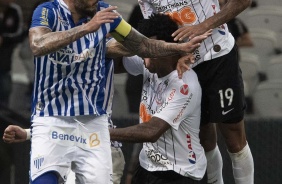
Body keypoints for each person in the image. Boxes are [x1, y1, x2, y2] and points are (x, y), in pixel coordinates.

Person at [27, 0, 205, 183]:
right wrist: (89, 29)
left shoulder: (105, 14)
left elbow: (143, 45)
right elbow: (38, 45)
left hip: (100, 134)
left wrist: (178, 49)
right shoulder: (48, 11)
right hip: (55, 123)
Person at [138, 0, 254, 183]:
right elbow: (154, 27)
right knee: (204, 140)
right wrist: (174, 54)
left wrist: (203, 25)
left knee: (234, 136)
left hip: (218, 54)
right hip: (185, 61)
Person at [110, 14, 210, 184]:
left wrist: (103, 134)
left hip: (179, 173)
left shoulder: (184, 84)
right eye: (144, 49)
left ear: (167, 49)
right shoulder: (150, 63)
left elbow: (151, 131)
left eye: (150, 49)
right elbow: (113, 64)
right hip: (147, 167)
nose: (144, 55)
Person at [2, 56, 125, 184]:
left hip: (97, 146)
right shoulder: (60, 70)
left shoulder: (102, 44)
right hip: (69, 142)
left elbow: (138, 52)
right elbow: (66, 121)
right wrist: (29, 133)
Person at [0, 0, 23, 107]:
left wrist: (4, 39)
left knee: (4, 74)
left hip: (6, 50)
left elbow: (19, 32)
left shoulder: (14, 10)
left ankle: (4, 104)